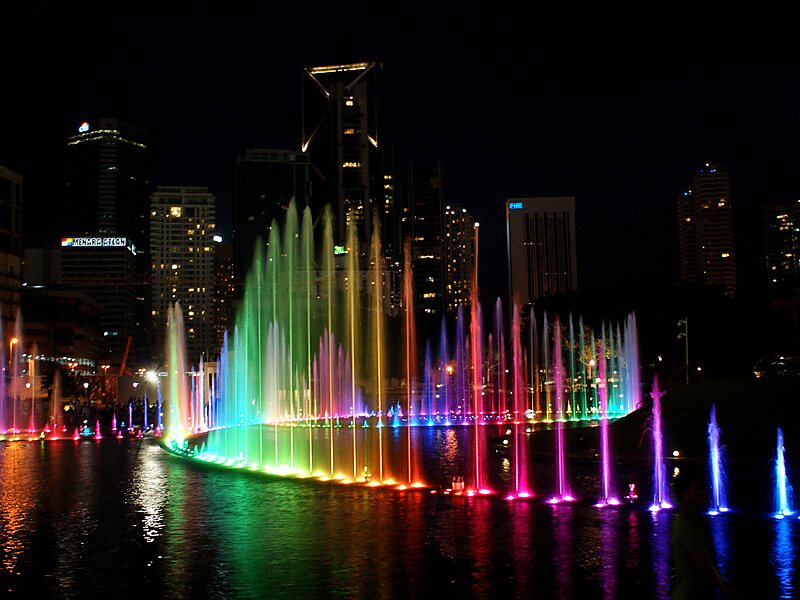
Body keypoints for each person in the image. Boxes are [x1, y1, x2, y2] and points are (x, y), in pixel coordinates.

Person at [672, 466, 732, 599]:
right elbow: (702, 564)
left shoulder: (694, 521)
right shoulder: (687, 523)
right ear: (685, 493)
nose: (703, 492)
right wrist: (725, 590)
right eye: (697, 488)